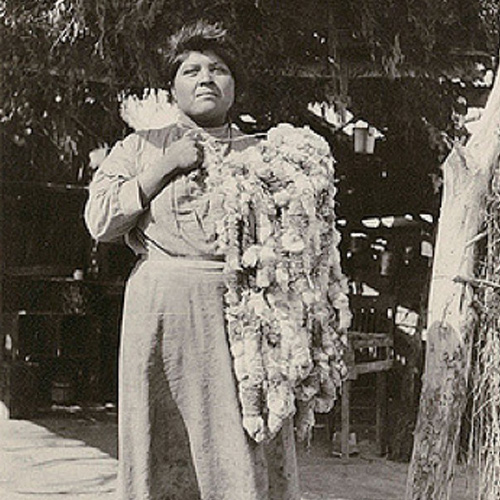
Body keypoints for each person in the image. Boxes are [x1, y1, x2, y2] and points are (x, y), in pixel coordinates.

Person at [84, 20, 301, 500]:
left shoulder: (265, 154)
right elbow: (99, 220)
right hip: (160, 320)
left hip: (240, 322)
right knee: (158, 443)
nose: (206, 78)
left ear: (234, 87)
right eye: (192, 70)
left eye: (219, 69)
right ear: (172, 87)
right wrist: (164, 166)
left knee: (240, 445)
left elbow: (298, 246)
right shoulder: (139, 146)